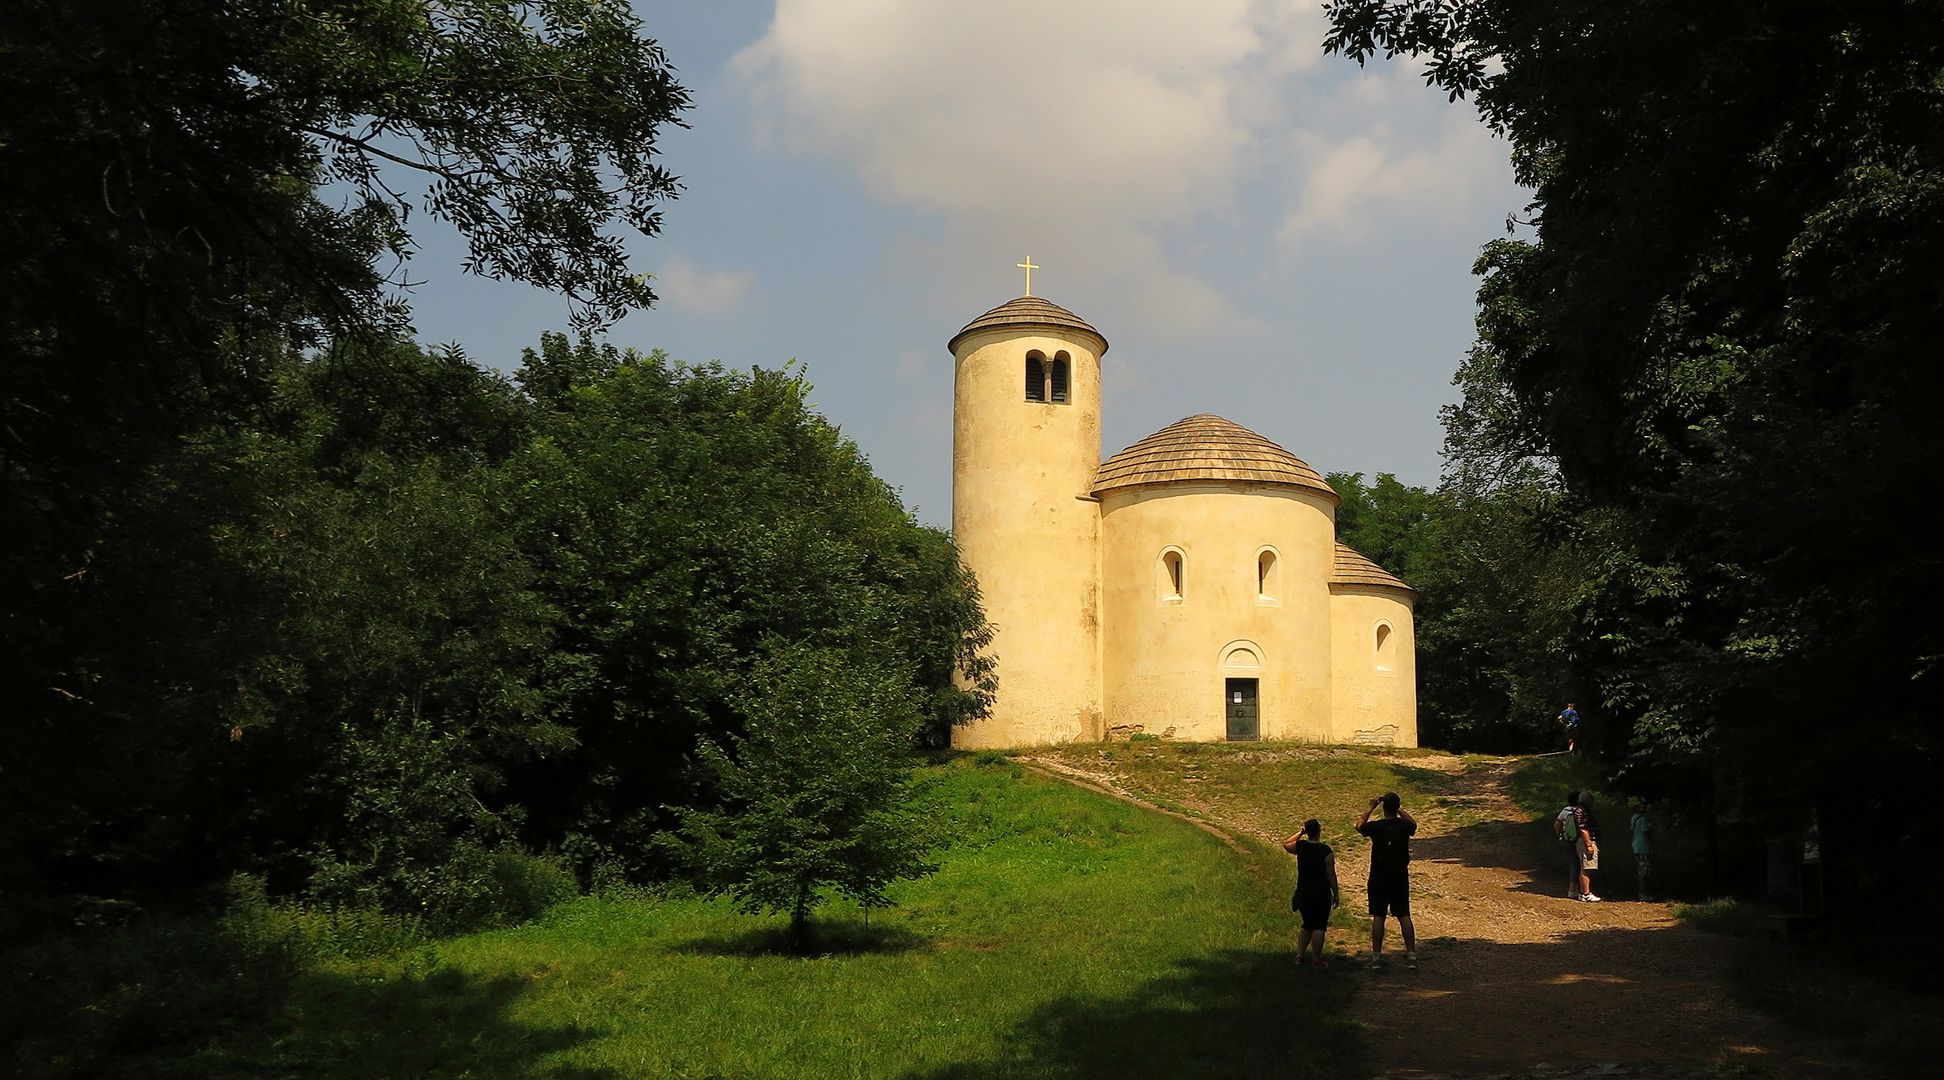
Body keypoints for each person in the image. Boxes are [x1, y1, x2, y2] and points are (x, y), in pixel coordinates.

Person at [1357, 792, 1418, 970]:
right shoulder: (1404, 826)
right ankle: (1412, 956)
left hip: (1379, 876)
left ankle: (1376, 957)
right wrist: (1397, 807)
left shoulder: (1377, 827)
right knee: (1404, 915)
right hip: (1399, 875)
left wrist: (1371, 807)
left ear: (1384, 808)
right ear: (1397, 807)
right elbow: (1414, 824)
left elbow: (1359, 825)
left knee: (1379, 916)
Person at [1283, 818, 1340, 967]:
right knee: (1319, 926)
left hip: (1304, 891)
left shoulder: (1301, 846)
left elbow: (1286, 844)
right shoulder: (1325, 851)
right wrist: (1336, 893)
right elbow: (1331, 874)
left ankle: (1299, 956)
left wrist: (1300, 833)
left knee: (1307, 924)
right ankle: (1316, 959)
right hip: (1321, 892)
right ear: (1319, 831)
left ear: (1307, 832)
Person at [1554, 791, 1583, 899]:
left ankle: (1574, 888)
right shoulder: (1581, 811)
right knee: (1580, 865)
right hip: (1580, 840)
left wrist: (1560, 835)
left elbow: (1557, 824)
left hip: (1568, 840)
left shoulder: (1565, 811)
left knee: (1574, 864)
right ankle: (1576, 889)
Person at [1574, 796, 1602, 902]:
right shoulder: (1582, 812)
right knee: (1587, 868)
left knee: (1584, 867)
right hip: (1586, 842)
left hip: (1584, 841)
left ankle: (1583, 892)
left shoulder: (1580, 810)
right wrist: (1589, 845)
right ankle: (1586, 893)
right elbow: (1583, 829)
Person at [1630, 804, 1654, 901]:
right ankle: (1643, 893)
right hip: (1643, 847)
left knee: (1641, 869)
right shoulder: (1643, 819)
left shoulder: (1634, 818)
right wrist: (1651, 846)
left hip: (1636, 846)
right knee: (1644, 872)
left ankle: (1642, 893)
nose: (1643, 808)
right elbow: (1646, 832)